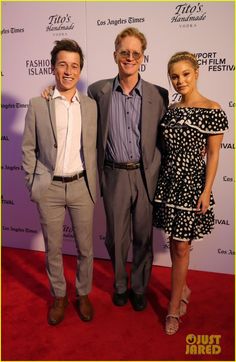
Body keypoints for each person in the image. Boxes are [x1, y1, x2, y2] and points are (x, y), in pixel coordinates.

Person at [88, 27, 168, 311]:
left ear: (143, 57)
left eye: (135, 53)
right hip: (115, 175)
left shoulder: (159, 95)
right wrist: (50, 92)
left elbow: (163, 137)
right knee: (116, 237)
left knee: (143, 237)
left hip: (146, 176)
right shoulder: (98, 91)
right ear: (115, 55)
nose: (130, 57)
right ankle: (120, 284)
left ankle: (139, 287)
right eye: (125, 52)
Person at [22, 39, 97, 325]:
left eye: (74, 65)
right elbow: (28, 148)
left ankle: (83, 293)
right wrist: (34, 183)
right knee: (53, 248)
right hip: (49, 188)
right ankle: (59, 295)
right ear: (53, 67)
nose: (69, 70)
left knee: (86, 248)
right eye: (63, 64)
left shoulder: (91, 105)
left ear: (80, 70)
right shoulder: (37, 104)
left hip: (81, 186)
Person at [153, 51, 228, 335]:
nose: (180, 80)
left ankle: (173, 307)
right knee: (175, 243)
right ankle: (183, 286)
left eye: (185, 74)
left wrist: (206, 191)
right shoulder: (171, 110)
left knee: (182, 245)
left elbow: (213, 155)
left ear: (196, 72)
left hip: (193, 184)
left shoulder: (212, 109)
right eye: (174, 76)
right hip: (169, 181)